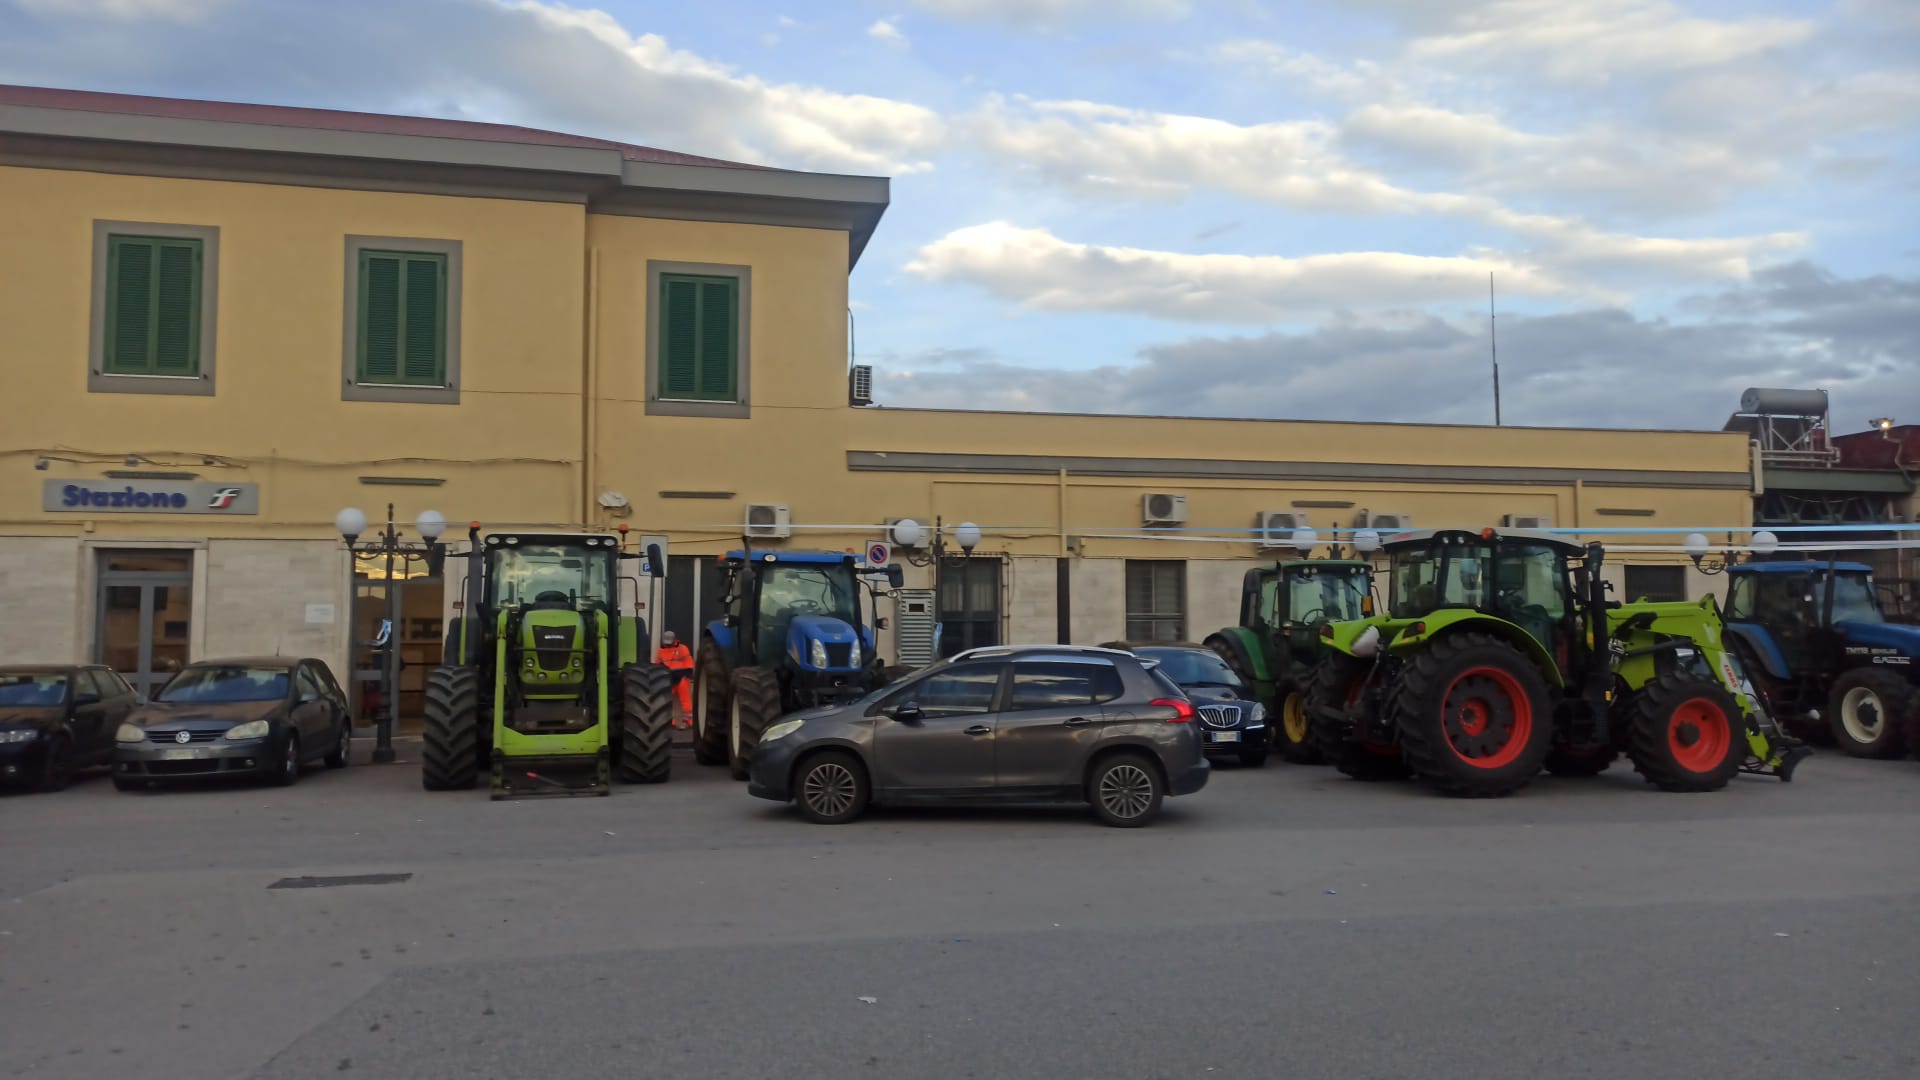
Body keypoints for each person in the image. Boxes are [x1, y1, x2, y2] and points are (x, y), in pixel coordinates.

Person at [658, 630, 695, 725]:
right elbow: (658, 666)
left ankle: (688, 719)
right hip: (668, 678)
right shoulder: (661, 651)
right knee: (665, 698)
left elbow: (689, 663)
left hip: (682, 676)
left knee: (685, 698)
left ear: (675, 640)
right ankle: (670, 719)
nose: (667, 645)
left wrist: (686, 675)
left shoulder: (683, 649)